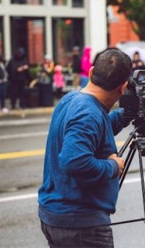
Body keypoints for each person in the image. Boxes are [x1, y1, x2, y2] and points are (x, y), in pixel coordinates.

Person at [38, 48, 132, 247]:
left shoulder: (73, 99)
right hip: (80, 226)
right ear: (123, 87)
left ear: (90, 73)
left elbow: (96, 129)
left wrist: (126, 115)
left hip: (58, 216)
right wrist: (113, 166)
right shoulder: (89, 113)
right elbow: (74, 162)